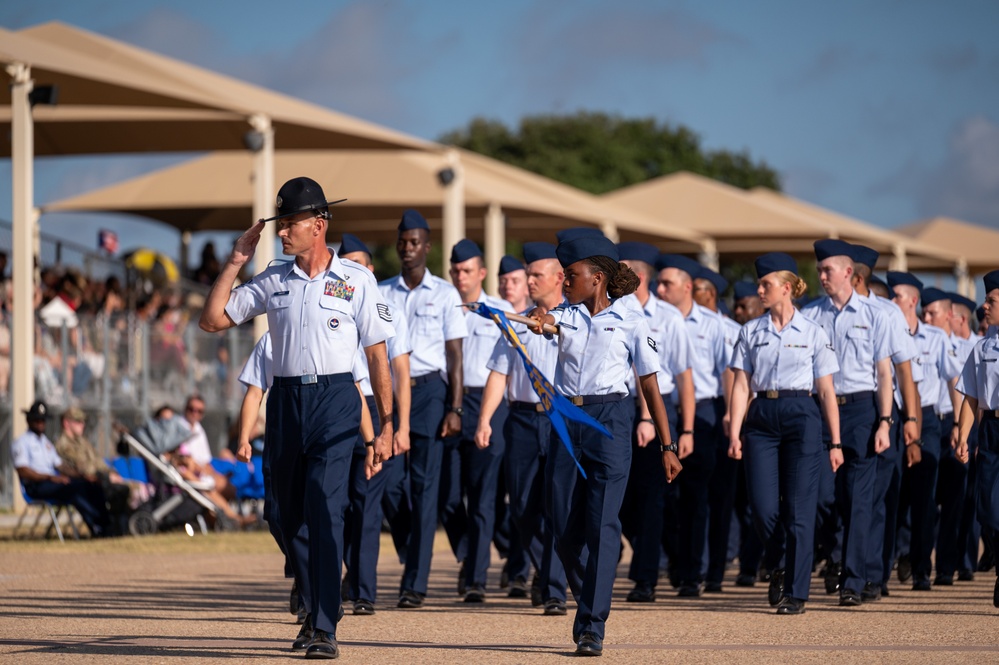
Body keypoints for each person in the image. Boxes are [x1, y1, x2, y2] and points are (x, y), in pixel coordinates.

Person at [200, 176, 395, 660]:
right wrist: (235, 262)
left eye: (290, 223)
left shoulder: (356, 281)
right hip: (286, 404)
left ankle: (324, 623)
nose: (282, 231)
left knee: (326, 511)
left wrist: (386, 423)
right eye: (280, 223)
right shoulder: (272, 277)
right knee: (284, 515)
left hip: (336, 400)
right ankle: (311, 605)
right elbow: (214, 319)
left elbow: (376, 358)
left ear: (319, 226)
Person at [527, 234, 682, 656]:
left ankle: (593, 623)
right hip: (566, 418)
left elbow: (649, 382)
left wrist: (668, 445)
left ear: (596, 278)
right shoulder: (567, 314)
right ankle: (590, 596)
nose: (564, 281)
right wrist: (537, 320)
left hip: (611, 418)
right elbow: (548, 323)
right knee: (561, 524)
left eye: (571, 275)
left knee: (601, 523)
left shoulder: (633, 319)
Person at [728, 252, 842, 614]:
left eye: (766, 284)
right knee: (762, 508)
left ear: (787, 288)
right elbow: (741, 385)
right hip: (761, 417)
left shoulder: (813, 332)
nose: (759, 290)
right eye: (760, 283)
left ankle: (796, 590)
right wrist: (734, 433)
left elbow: (826, 390)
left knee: (799, 510)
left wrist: (835, 442)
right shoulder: (750, 331)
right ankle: (778, 560)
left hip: (801, 415)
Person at [378, 209, 467, 609]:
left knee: (425, 486)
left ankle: (414, 583)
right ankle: (409, 545)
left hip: (431, 391)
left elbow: (455, 355)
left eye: (414, 242)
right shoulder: (382, 291)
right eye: (402, 242)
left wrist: (455, 407)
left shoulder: (446, 294)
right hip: (392, 394)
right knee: (389, 483)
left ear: (427, 247)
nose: (407, 248)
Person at [476, 241, 570, 615]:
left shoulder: (576, 321)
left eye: (536, 274)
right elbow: (499, 374)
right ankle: (544, 569)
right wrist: (484, 419)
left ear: (558, 278)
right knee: (523, 508)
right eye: (527, 274)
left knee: (558, 506)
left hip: (561, 419)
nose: (529, 280)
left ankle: (554, 589)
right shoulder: (515, 320)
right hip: (521, 420)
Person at [800, 239, 893, 608]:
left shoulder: (877, 315)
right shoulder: (810, 315)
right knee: (822, 495)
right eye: (819, 270)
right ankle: (832, 554)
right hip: (820, 411)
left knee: (858, 499)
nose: (821, 276)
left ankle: (854, 578)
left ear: (848, 273)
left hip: (860, 409)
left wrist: (885, 421)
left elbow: (884, 374)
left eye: (827, 270)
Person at [339, 232, 413, 616]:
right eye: (345, 264)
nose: (352, 271)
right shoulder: (331, 304)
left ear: (370, 270)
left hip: (373, 402)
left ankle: (364, 592)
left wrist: (397, 426)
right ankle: (345, 577)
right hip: (337, 404)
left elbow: (399, 369)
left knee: (368, 504)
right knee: (340, 505)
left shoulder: (388, 309)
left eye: (359, 264)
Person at [615, 241, 694, 602]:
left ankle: (645, 578)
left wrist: (685, 430)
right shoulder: (612, 311)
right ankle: (670, 557)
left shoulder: (669, 319)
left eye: (619, 271)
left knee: (651, 500)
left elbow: (683, 378)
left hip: (658, 413)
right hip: (619, 410)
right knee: (626, 502)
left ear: (637, 276)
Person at [436, 239, 513, 602]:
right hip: (450, 401)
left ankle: (477, 578)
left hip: (488, 401)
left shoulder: (501, 309)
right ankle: (470, 555)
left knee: (484, 497)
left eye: (466, 270)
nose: (459, 275)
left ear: (481, 273)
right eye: (454, 270)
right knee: (447, 495)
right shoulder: (441, 304)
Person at [847, 244, 922, 600]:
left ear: (855, 276)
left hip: (880, 412)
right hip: (835, 411)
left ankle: (870, 574)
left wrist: (909, 419)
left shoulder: (885, 314)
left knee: (874, 498)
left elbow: (904, 371)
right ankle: (846, 563)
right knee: (839, 498)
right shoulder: (821, 311)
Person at [655, 253, 729, 597]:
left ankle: (699, 571)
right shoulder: (653, 319)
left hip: (703, 413)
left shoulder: (714, 325)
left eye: (667, 283)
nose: (660, 289)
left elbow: (726, 373)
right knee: (664, 498)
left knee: (699, 497)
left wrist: (730, 415)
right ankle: (677, 559)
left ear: (687, 287)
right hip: (663, 409)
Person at [888, 275, 962, 591]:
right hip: (894, 416)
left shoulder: (935, 338)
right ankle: (880, 570)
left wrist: (959, 424)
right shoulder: (887, 332)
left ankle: (921, 569)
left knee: (924, 498)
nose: (889, 303)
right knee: (890, 495)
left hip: (929, 420)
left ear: (911, 301)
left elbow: (954, 380)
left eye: (896, 297)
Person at [954, 269, 999, 607]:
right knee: (988, 509)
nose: (984, 306)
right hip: (992, 430)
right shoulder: (983, 347)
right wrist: (962, 435)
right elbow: (971, 396)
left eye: (991, 300)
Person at [12, 400, 112, 538]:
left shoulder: (46, 443)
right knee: (75, 491)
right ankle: (96, 526)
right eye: (37, 420)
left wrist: (82, 476)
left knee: (91, 485)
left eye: (43, 420)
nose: (40, 423)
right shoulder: (21, 443)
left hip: (52, 482)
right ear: (29, 420)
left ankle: (106, 524)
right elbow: (23, 470)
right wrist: (49, 477)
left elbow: (60, 466)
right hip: (37, 485)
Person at [946, 292, 984, 581]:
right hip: (963, 424)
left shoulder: (977, 345)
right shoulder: (970, 348)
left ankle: (968, 560)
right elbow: (963, 391)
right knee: (956, 497)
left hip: (979, 426)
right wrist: (961, 432)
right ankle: (948, 563)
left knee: (975, 499)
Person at [55, 406, 131, 530]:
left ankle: (122, 527)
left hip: (98, 479)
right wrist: (106, 476)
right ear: (66, 423)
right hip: (84, 483)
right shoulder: (64, 445)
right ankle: (114, 528)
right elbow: (82, 467)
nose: (82, 424)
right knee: (122, 490)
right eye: (78, 421)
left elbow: (98, 462)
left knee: (133, 489)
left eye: (83, 421)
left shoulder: (83, 442)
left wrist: (111, 472)